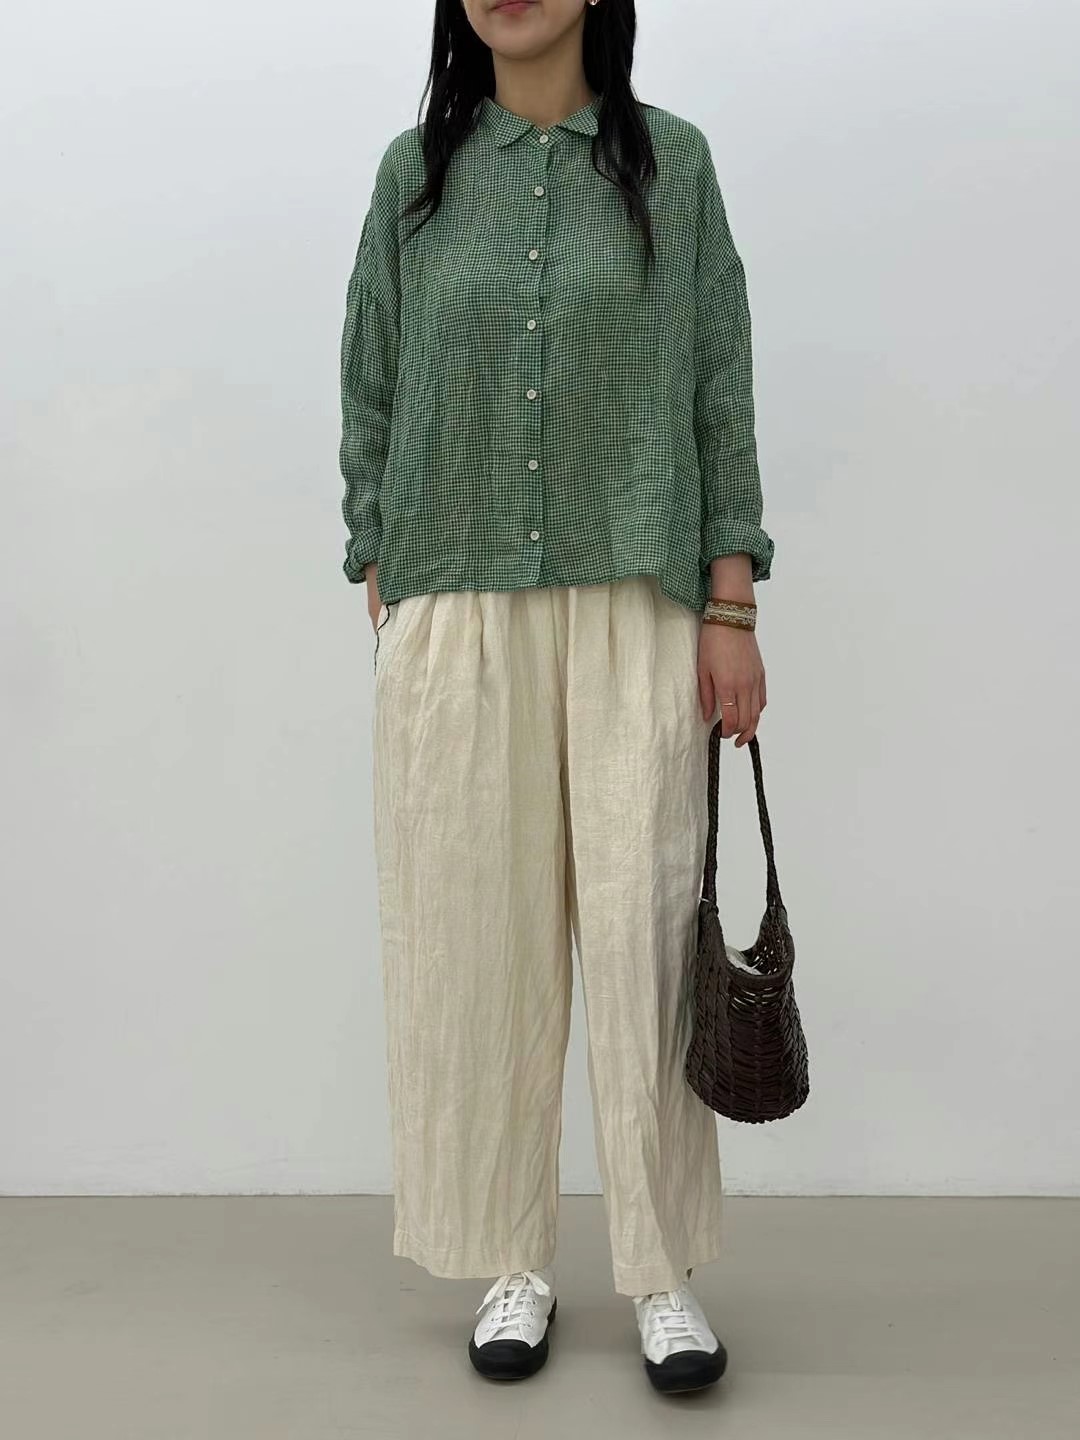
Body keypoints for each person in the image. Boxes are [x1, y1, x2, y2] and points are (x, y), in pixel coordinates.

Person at [338, 0, 773, 1396]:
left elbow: (717, 384)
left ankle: (660, 1269)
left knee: (646, 941)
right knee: (477, 939)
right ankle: (509, 1257)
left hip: (636, 593)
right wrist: (377, 549)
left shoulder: (672, 164)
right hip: (459, 601)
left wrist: (730, 604)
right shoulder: (415, 178)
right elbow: (370, 373)